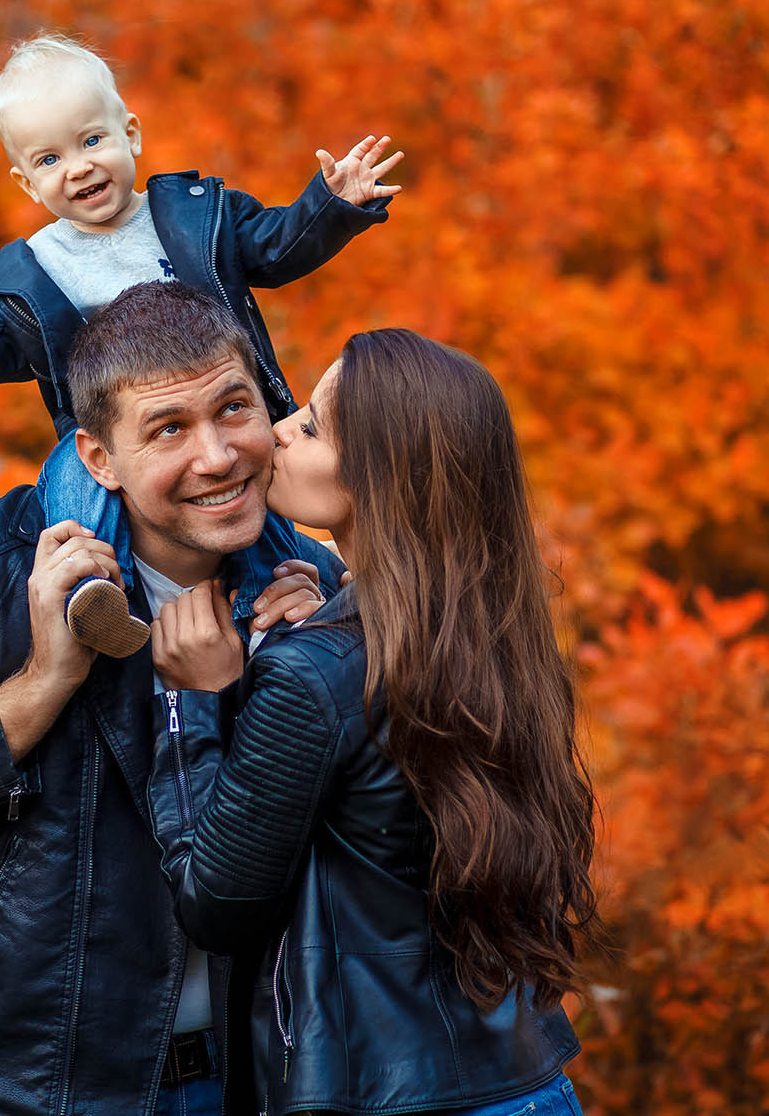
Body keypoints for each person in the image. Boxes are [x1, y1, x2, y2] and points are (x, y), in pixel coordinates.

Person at [0, 283, 346, 1116]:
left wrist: (321, 662)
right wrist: (38, 688)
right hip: (20, 1091)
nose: (218, 456)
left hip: (259, 1082)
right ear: (97, 457)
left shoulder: (310, 588)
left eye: (233, 409)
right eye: (168, 428)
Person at [144, 329, 602, 1116]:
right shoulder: (491, 635)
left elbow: (214, 902)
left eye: (312, 427)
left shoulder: (319, 671)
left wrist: (195, 700)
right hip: (524, 1083)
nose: (280, 430)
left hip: (391, 1096)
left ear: (385, 476)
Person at [0, 32, 401, 657]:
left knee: (259, 493)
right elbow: (1, 351)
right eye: (50, 160)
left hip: (221, 400)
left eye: (92, 141)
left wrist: (331, 205)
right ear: (26, 184)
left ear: (131, 135)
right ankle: (94, 596)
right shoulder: (37, 270)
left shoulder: (197, 217)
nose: (80, 166)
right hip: (106, 432)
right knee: (69, 485)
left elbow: (275, 247)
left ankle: (282, 603)